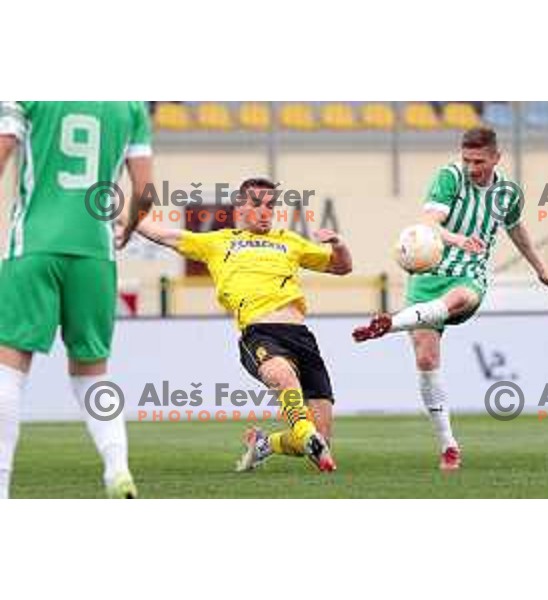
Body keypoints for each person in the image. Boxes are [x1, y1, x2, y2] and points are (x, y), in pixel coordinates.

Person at [353, 127, 548, 471]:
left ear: (497, 157)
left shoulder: (507, 192)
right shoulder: (450, 177)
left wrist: (541, 268)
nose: (471, 167)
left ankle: (391, 323)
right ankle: (449, 445)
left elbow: (515, 228)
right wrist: (457, 239)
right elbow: (428, 222)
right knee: (425, 359)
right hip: (429, 275)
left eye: (479, 161)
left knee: (461, 298)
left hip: (470, 273)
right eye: (466, 159)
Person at [128, 177, 352, 472]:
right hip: (261, 333)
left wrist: (339, 244)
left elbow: (342, 267)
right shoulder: (218, 242)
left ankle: (265, 445)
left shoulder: (289, 241)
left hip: (301, 336)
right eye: (256, 204)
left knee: (321, 442)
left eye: (270, 205)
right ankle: (305, 432)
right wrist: (124, 214)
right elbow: (163, 235)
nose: (264, 211)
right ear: (240, 207)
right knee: (282, 376)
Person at [0, 101, 153, 498]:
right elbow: (145, 192)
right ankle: (117, 468)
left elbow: (4, 147)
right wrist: (131, 224)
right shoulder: (130, 105)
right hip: (95, 253)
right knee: (92, 371)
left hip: (33, 246)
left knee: (9, 367)